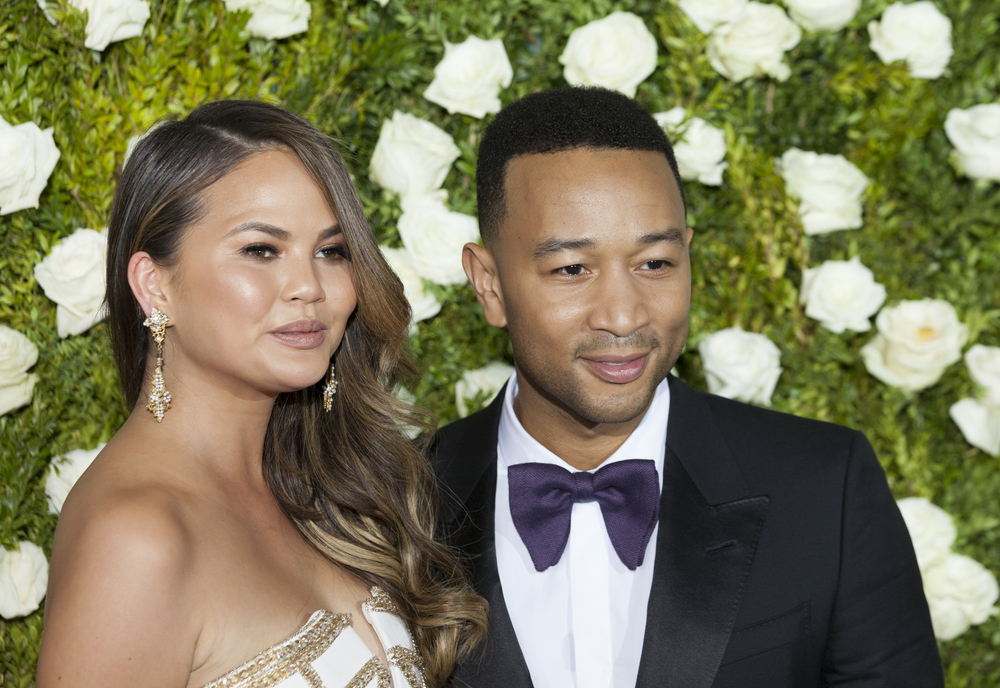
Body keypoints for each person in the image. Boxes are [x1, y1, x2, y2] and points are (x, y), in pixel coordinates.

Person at [431, 87, 943, 688]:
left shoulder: (826, 486)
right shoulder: (394, 503)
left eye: (656, 264)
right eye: (572, 270)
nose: (623, 317)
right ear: (489, 284)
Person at [37, 100, 486, 688]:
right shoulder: (137, 535)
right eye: (261, 250)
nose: (308, 287)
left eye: (331, 251)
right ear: (155, 284)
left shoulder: (326, 494)